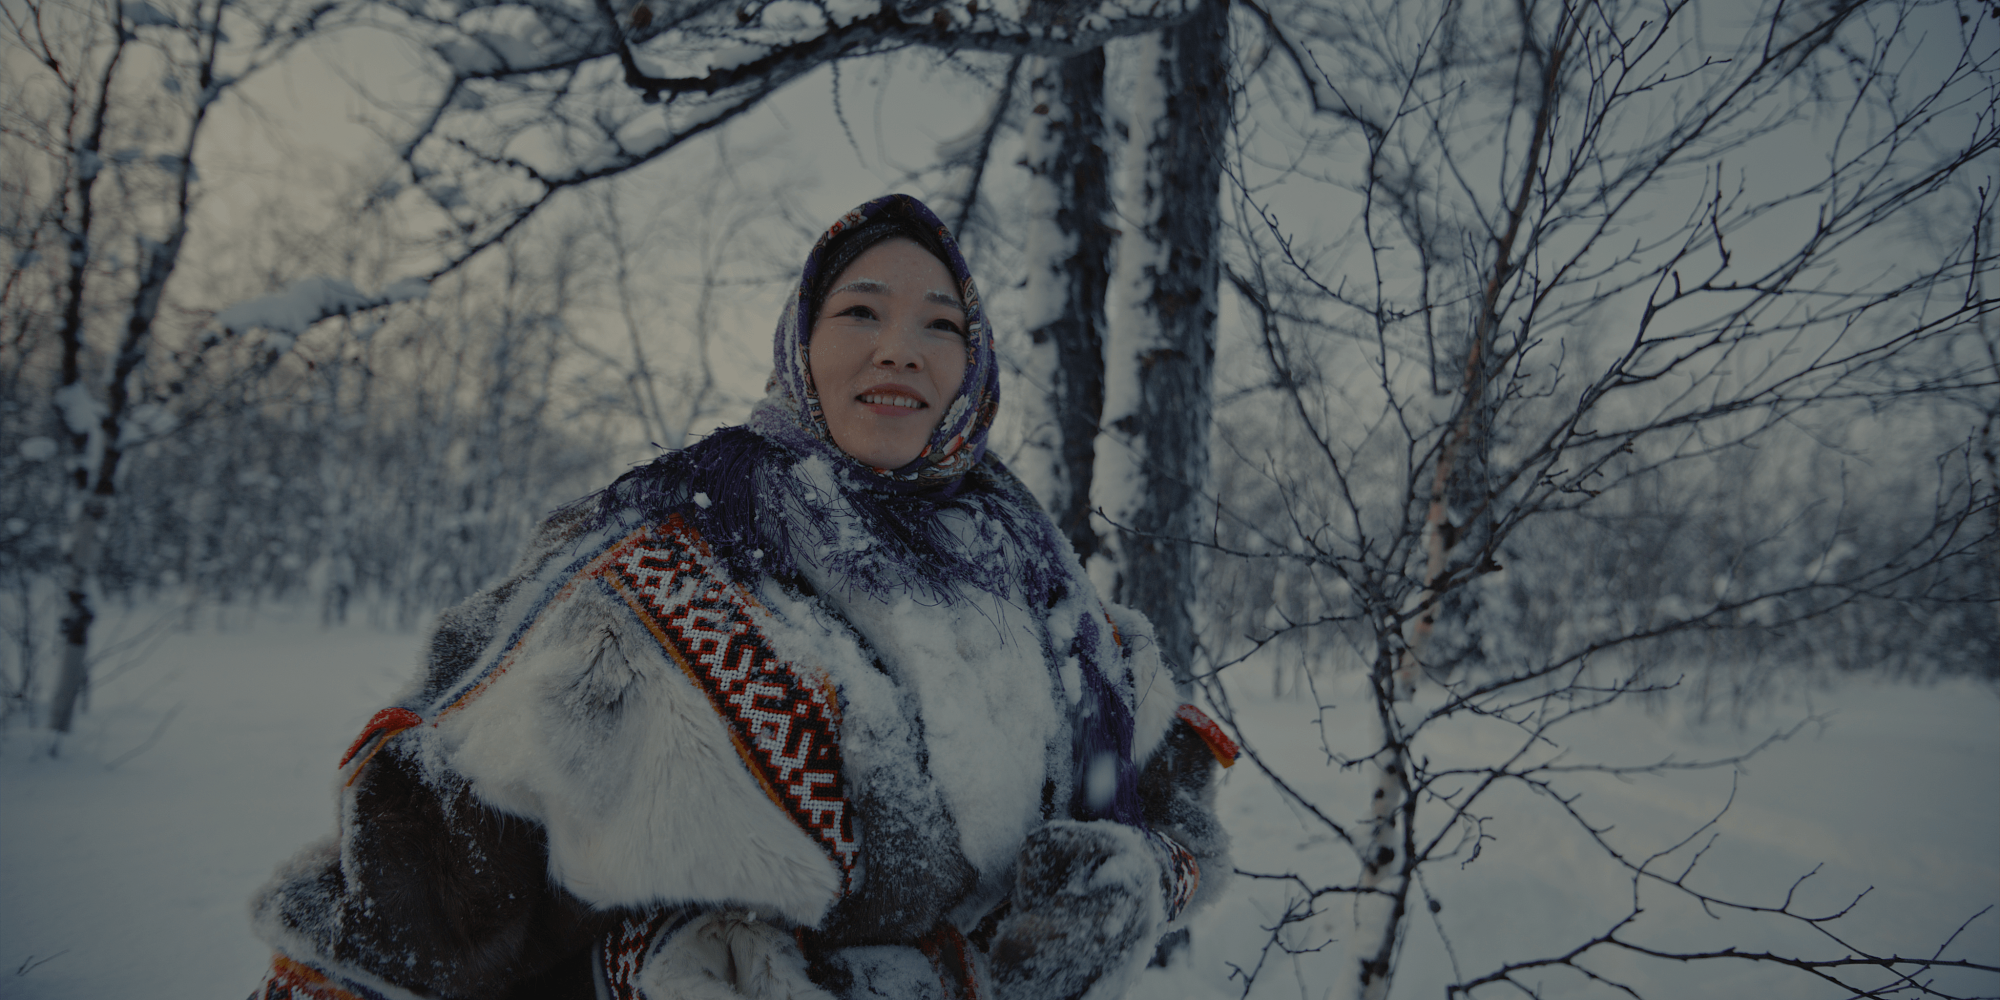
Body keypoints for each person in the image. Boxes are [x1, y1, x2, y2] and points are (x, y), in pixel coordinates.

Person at [246, 194, 1233, 1000]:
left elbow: (1159, 809)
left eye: (942, 324)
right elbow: (444, 852)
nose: (902, 348)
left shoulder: (1037, 580)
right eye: (861, 312)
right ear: (799, 340)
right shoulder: (657, 546)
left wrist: (1119, 895)